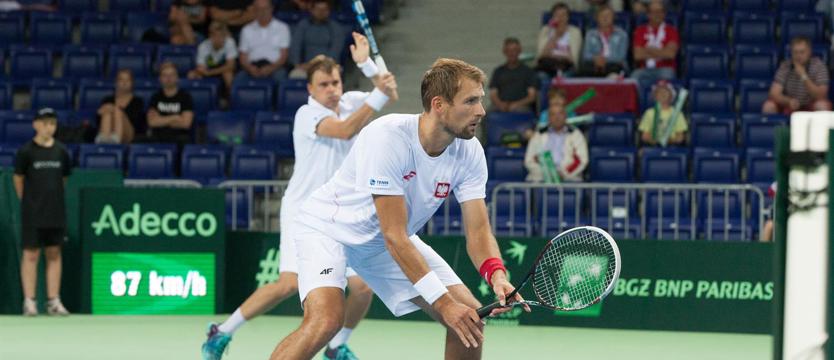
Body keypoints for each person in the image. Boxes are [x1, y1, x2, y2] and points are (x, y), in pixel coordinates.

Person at [269, 58, 526, 360]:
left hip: (384, 240)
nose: (481, 111)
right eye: (470, 101)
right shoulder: (387, 137)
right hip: (329, 230)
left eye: (480, 100)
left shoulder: (469, 151)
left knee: (469, 318)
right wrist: (443, 304)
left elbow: (479, 229)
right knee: (326, 320)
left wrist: (496, 275)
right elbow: (394, 236)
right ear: (439, 104)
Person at [201, 33, 399, 360]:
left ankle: (336, 347)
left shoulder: (350, 101)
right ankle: (221, 332)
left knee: (363, 287)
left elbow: (389, 91)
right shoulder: (307, 116)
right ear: (310, 89)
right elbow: (347, 129)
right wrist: (377, 93)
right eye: (323, 85)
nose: (332, 89)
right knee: (288, 285)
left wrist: (366, 64)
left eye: (335, 81)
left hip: (342, 213)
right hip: (303, 212)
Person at [14, 108, 71, 317]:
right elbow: (18, 179)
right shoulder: (26, 152)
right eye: (45, 123)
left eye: (53, 124)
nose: (49, 127)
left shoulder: (62, 152)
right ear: (35, 125)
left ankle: (53, 301)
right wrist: (29, 202)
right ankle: (29, 301)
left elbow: (63, 180)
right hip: (33, 213)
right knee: (31, 254)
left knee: (54, 253)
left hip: (55, 212)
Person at [762, 36, 832, 114]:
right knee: (768, 106)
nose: (798, 56)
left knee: (822, 106)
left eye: (802, 52)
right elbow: (774, 94)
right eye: (795, 52)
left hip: (811, 104)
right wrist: (788, 101)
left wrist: (803, 76)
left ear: (809, 52)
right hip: (790, 104)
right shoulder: (786, 66)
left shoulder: (819, 66)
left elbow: (821, 95)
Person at [524, 101, 589, 182]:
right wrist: (549, 174)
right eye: (553, 114)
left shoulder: (576, 135)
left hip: (568, 180)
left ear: (565, 116)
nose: (557, 117)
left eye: (560, 113)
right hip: (541, 179)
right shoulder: (538, 135)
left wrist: (563, 174)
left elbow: (582, 160)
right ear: (548, 117)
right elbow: (529, 160)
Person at [236, 0, 292, 84]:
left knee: (281, 78)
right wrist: (250, 68)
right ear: (254, 10)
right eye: (259, 9)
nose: (262, 12)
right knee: (238, 80)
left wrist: (271, 68)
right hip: (252, 67)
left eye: (265, 9)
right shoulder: (246, 30)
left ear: (271, 9)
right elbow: (243, 56)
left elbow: (284, 55)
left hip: (275, 68)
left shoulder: (282, 28)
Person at [289, 0, 345, 79]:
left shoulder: (336, 28)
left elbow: (335, 51)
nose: (321, 12)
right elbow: (295, 46)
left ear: (329, 11)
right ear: (311, 10)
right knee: (296, 75)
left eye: (325, 9)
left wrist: (320, 65)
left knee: (334, 75)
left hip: (330, 66)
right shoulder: (303, 25)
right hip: (306, 67)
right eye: (318, 9)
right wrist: (297, 64)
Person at [630, 0, 679, 89]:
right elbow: (638, 55)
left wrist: (648, 50)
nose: (657, 14)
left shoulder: (671, 31)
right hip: (644, 69)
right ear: (648, 14)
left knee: (668, 74)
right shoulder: (640, 31)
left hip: (665, 68)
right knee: (634, 76)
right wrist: (662, 52)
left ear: (664, 14)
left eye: (660, 11)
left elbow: (670, 54)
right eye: (654, 12)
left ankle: (665, 103)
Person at [147, 62, 194, 147]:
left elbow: (186, 123)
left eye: (172, 75)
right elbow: (152, 122)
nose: (168, 78)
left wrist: (161, 120)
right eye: (165, 75)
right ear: (160, 78)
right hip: (158, 137)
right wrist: (174, 117)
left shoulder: (185, 97)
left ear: (177, 78)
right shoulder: (155, 97)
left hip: (179, 138)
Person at [188, 21, 238, 99]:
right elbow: (201, 67)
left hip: (221, 70)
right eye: (215, 36)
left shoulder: (229, 42)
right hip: (209, 69)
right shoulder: (203, 46)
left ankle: (229, 100)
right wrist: (204, 72)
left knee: (228, 74)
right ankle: (201, 99)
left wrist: (210, 73)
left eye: (221, 36)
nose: (218, 39)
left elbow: (230, 66)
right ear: (210, 36)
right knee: (192, 75)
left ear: (225, 36)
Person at [95, 69, 146, 144]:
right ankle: (104, 141)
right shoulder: (107, 100)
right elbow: (98, 121)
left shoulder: (138, 101)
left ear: (132, 83)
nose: (124, 83)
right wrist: (99, 113)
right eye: (121, 80)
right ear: (116, 82)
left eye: (127, 80)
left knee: (117, 111)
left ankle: (116, 141)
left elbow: (137, 122)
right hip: (109, 130)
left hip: (129, 134)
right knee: (107, 113)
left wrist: (116, 110)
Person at [488, 37, 538, 113]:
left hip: (522, 107)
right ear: (504, 52)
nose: (512, 53)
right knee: (484, 115)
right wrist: (500, 104)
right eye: (509, 50)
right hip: (500, 106)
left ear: (519, 51)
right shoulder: (498, 71)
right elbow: (493, 94)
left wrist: (516, 104)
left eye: (514, 50)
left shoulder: (528, 72)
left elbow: (532, 96)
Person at [581, 5, 629, 77]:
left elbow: (621, 57)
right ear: (597, 18)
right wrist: (596, 59)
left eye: (608, 16)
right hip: (595, 65)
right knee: (584, 68)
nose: (605, 18)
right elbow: (586, 55)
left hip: (614, 65)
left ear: (613, 18)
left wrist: (604, 60)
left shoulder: (622, 35)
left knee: (616, 68)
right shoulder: (590, 34)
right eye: (602, 16)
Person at [536, 2, 582, 77]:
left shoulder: (575, 32)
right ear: (552, 17)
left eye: (563, 15)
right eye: (557, 15)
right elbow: (541, 56)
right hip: (547, 66)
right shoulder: (545, 30)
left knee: (563, 78)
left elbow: (573, 59)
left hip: (566, 67)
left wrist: (555, 56)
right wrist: (555, 36)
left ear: (568, 17)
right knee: (541, 76)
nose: (560, 18)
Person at [638, 80, 687, 146]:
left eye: (666, 91)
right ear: (655, 96)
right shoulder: (649, 113)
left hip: (672, 147)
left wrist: (669, 140)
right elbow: (644, 136)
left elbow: (680, 137)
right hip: (653, 147)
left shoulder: (677, 113)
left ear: (671, 96)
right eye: (659, 92)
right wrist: (653, 140)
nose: (662, 94)